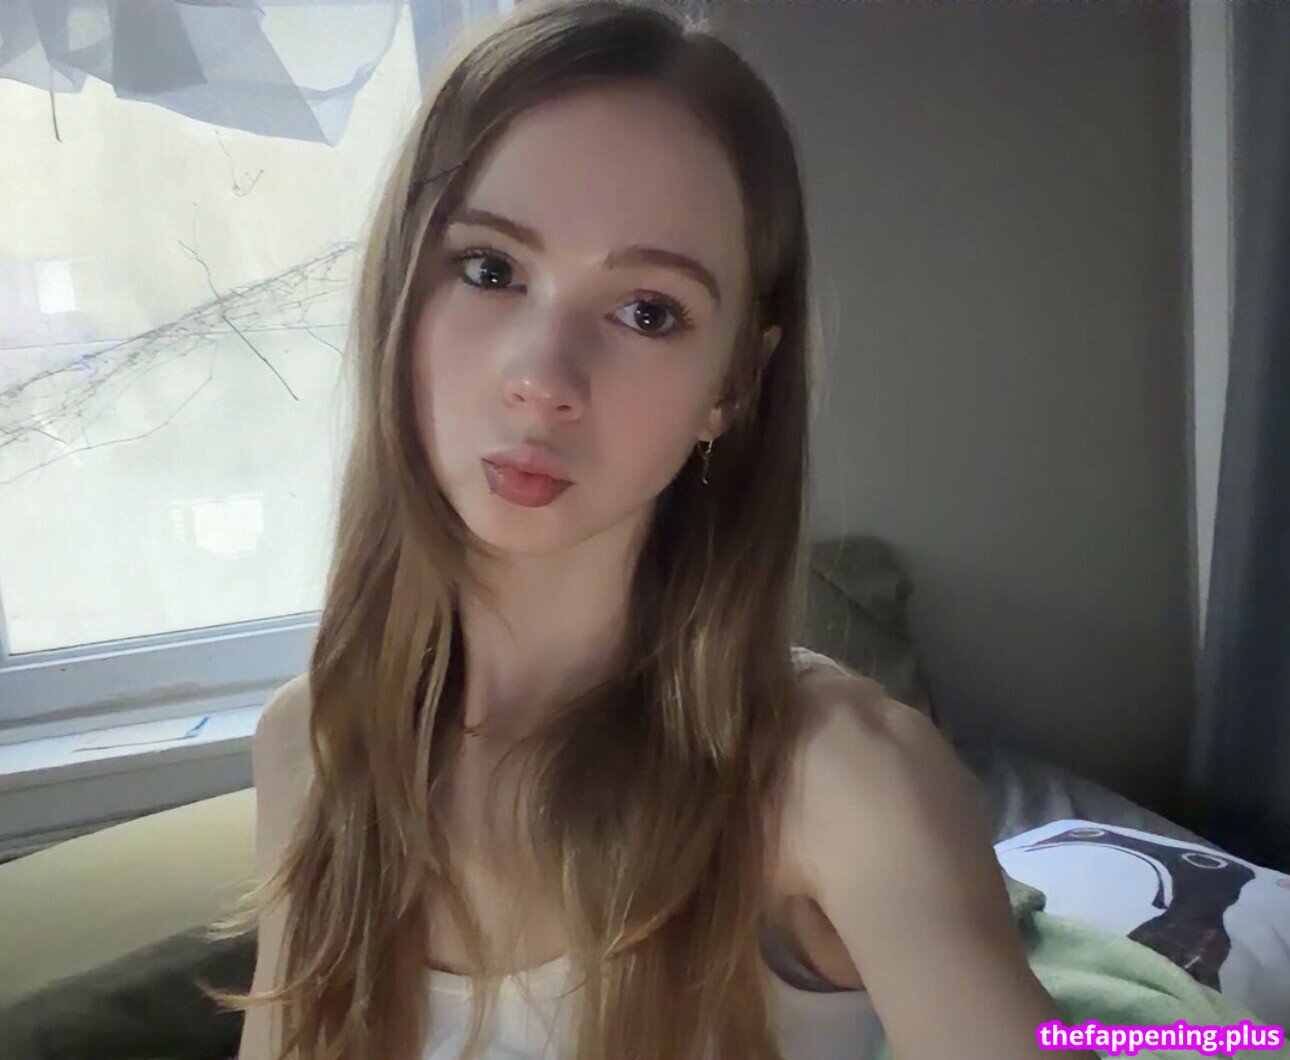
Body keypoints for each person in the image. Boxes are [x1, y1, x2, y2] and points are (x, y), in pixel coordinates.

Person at [210, 1, 1096, 1057]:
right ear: (402, 290)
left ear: (734, 384)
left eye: (648, 312)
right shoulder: (314, 744)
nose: (543, 377)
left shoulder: (835, 781)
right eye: (490, 269)